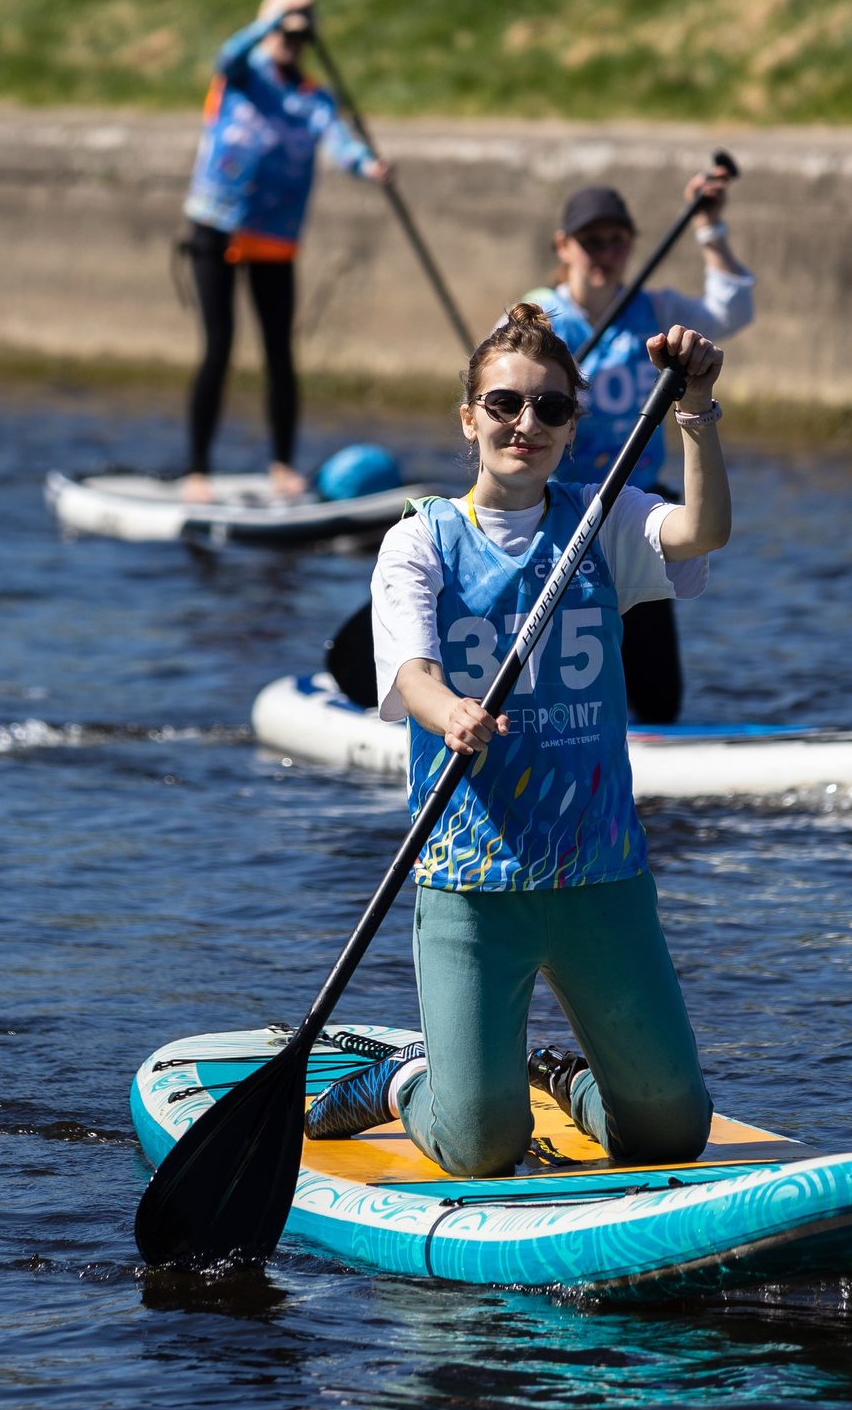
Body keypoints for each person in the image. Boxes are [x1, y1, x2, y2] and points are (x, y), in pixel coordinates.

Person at [304, 303, 732, 1174]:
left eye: (551, 408)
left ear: (575, 427)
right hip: (472, 874)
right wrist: (448, 711)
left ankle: (566, 1079)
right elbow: (415, 674)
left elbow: (703, 531)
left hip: (598, 868)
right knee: (480, 1148)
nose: (525, 424)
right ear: (469, 418)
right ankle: (409, 1080)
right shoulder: (418, 540)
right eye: (503, 404)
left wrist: (696, 411)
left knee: (672, 1134)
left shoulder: (602, 519)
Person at [521, 176, 752, 722]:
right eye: (591, 242)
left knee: (658, 694)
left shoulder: (654, 308)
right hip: (563, 509)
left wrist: (710, 228)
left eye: (617, 240)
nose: (606, 254)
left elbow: (734, 310)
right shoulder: (537, 318)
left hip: (637, 507)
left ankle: (647, 738)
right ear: (563, 247)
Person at [178, 0, 391, 502]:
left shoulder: (314, 96)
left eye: (302, 31)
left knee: (279, 353)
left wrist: (369, 165)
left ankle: (281, 465)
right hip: (217, 227)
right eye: (284, 30)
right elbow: (226, 55)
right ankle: (197, 470)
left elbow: (340, 142)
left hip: (275, 237)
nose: (291, 40)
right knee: (219, 344)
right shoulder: (241, 75)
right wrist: (272, 21)